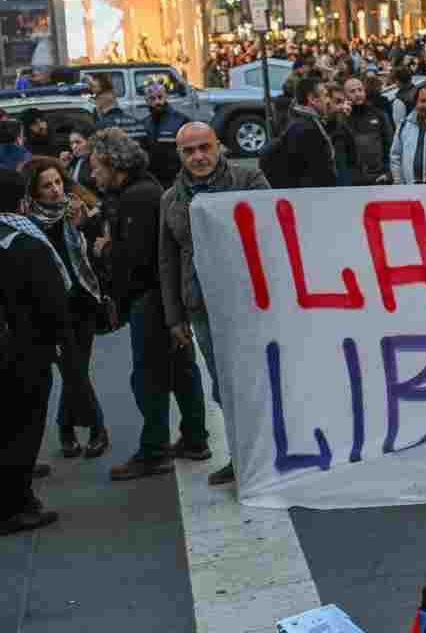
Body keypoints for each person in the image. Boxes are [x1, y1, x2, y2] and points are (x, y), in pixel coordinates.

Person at [90, 128, 209, 481]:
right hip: (165, 298)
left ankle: (155, 450)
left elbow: (140, 258)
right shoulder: (144, 190)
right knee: (181, 371)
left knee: (150, 377)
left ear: (115, 164)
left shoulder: (138, 197)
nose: (93, 175)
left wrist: (105, 249)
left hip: (152, 300)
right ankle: (194, 438)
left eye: (97, 167)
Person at [159, 122, 269, 486]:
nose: (198, 157)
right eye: (189, 151)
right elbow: (168, 260)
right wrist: (175, 316)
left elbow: (272, 233)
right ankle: (242, 457)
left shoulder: (248, 181)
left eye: (204, 147)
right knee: (224, 386)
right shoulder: (171, 199)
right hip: (203, 306)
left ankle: (267, 453)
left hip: (251, 303)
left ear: (219, 146)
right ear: (179, 155)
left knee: (257, 380)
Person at [23, 157, 110, 459]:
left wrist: (83, 223)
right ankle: (92, 429)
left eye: (58, 182)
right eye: (47, 186)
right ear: (33, 192)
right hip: (52, 306)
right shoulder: (29, 222)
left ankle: (71, 428)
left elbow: (98, 248)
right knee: (73, 370)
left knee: (76, 370)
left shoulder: (77, 208)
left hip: (83, 300)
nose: (56, 190)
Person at [0, 168, 70, 535]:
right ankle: (15, 506)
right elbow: (53, 301)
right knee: (23, 430)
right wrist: (62, 340)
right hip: (25, 352)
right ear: (23, 201)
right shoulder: (25, 242)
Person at [280, 77, 338, 188]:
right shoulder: (305, 128)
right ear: (312, 99)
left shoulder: (308, 122)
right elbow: (316, 172)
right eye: (325, 96)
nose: (329, 101)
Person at [390, 84, 426, 184]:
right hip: (410, 191)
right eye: (423, 101)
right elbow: (395, 157)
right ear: (416, 103)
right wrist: (399, 184)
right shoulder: (404, 126)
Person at [343, 77, 394, 185]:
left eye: (360, 90)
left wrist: (388, 172)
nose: (357, 94)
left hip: (378, 177)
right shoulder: (342, 118)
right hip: (352, 179)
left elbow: (389, 145)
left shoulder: (379, 115)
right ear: (345, 95)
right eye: (352, 91)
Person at [142, 84, 191, 189]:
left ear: (166, 97)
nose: (157, 102)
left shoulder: (181, 120)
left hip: (177, 181)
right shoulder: (144, 123)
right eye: (152, 98)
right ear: (146, 100)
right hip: (153, 182)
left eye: (160, 97)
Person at [324, 82, 358, 186]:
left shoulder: (343, 126)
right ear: (326, 102)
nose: (342, 106)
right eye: (338, 102)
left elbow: (352, 160)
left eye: (343, 102)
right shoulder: (314, 129)